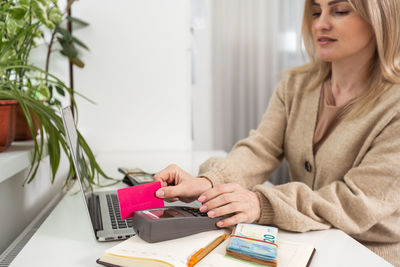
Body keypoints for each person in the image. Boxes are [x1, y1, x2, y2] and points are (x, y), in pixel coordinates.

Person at [154, 0, 400, 265]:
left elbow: (357, 202)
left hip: (367, 254)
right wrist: (208, 183)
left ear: (381, 19)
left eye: (339, 11)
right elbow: (261, 149)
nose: (321, 23)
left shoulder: (394, 105)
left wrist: (262, 203)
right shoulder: (295, 85)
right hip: (308, 241)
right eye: (316, 12)